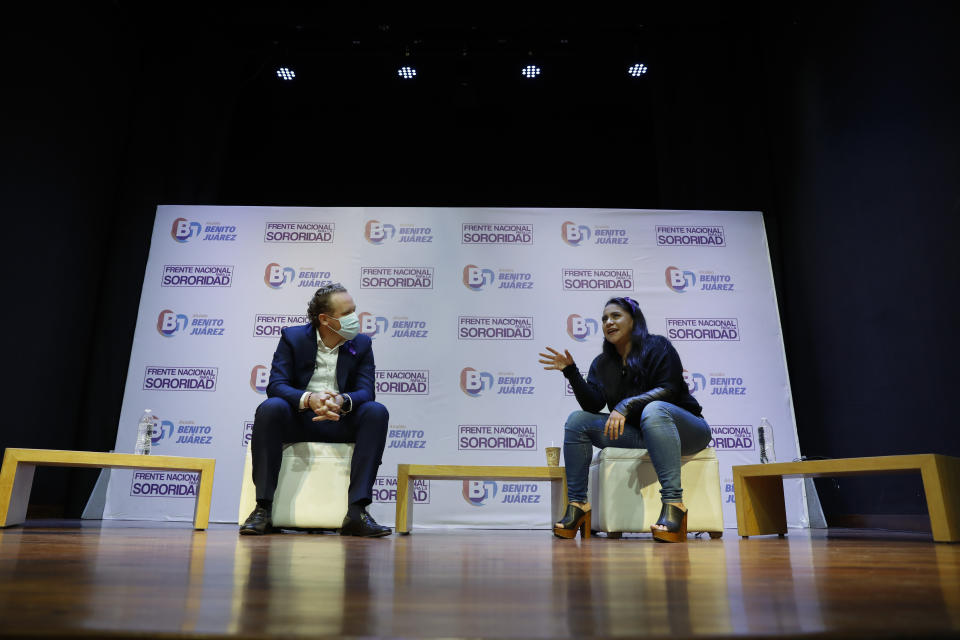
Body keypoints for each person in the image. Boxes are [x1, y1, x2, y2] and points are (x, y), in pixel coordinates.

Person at [538, 296, 710, 543]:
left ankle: (674, 505)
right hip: (642, 434)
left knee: (655, 410)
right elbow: (593, 404)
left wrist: (625, 405)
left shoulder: (658, 347)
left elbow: (670, 389)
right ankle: (577, 505)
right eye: (604, 319)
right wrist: (571, 372)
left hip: (687, 430)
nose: (608, 322)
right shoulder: (603, 363)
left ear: (634, 319)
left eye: (615, 316)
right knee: (577, 421)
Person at [240, 283, 391, 537]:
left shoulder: (362, 344)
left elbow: (366, 391)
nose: (355, 319)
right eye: (347, 313)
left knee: (376, 411)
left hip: (340, 420)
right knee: (270, 408)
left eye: (355, 310)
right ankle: (263, 509)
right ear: (325, 319)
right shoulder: (293, 337)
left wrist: (342, 401)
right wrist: (309, 399)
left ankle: (357, 512)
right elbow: (276, 385)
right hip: (299, 419)